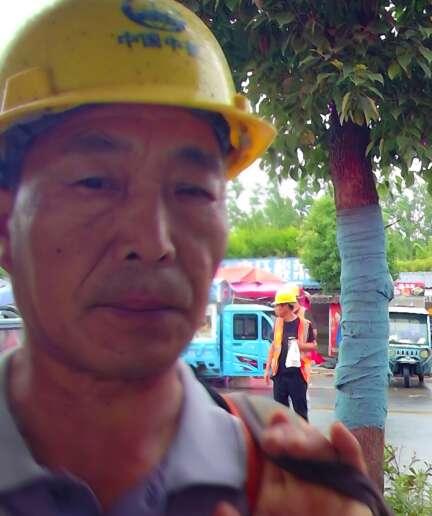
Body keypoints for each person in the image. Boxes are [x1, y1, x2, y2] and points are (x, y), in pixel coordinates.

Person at [0, 1, 374, 515]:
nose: (153, 241)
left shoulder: (295, 488)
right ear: (6, 225)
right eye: (95, 183)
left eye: (193, 190)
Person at [265, 286, 317, 420]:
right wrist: (267, 368)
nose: (275, 309)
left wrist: (301, 345)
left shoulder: (305, 324)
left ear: (285, 307)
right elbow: (273, 346)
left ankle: (303, 433)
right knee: (281, 414)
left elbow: (314, 346)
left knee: (300, 414)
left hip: (297, 376)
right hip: (279, 376)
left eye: (277, 306)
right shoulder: (277, 323)